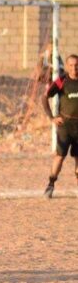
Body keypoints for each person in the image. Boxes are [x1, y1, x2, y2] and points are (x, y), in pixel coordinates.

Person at [42, 54, 78, 199]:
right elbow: (44, 97)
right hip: (65, 126)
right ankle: (50, 184)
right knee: (60, 157)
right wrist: (52, 117)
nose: (74, 68)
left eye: (77, 65)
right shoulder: (62, 80)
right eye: (71, 65)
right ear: (67, 66)